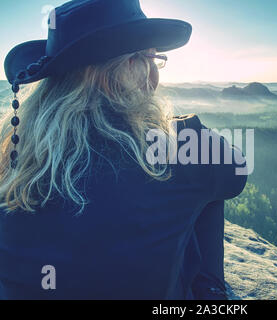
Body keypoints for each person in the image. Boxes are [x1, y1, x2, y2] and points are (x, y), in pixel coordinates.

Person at [0, 0, 247, 299]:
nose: (155, 75)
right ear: (132, 64)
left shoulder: (13, 154)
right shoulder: (177, 146)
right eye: (152, 59)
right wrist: (185, 129)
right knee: (209, 185)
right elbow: (237, 170)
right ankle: (211, 294)